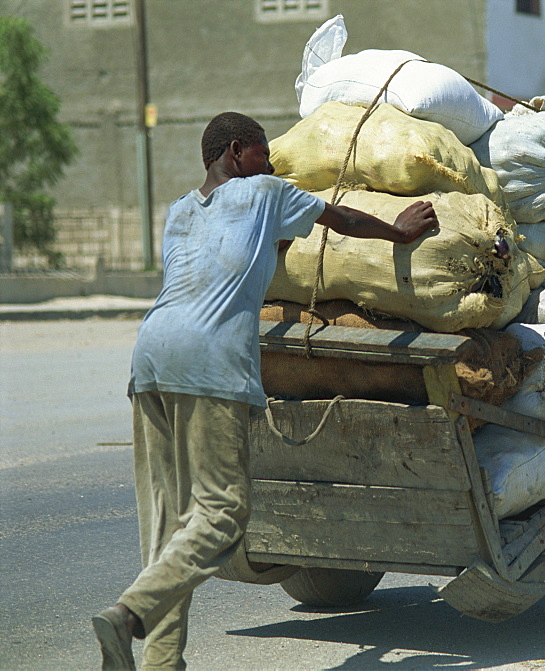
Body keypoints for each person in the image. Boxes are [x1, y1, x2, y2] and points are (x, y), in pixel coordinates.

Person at [91, 112, 437, 670]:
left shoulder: (179, 212)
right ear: (237, 152)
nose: (273, 165)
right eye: (264, 155)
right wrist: (398, 232)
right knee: (223, 516)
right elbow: (341, 217)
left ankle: (159, 664)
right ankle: (129, 613)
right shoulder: (266, 191)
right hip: (210, 362)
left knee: (167, 525)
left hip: (150, 358)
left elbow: (222, 264)